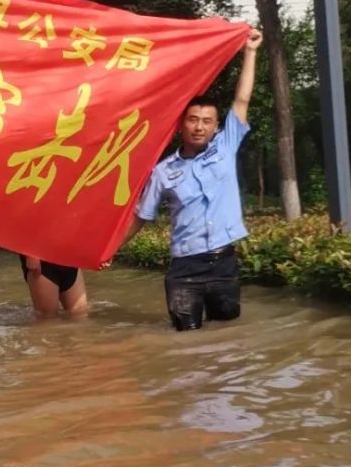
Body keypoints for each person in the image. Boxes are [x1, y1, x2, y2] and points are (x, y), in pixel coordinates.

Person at [113, 28, 263, 330]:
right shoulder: (163, 171)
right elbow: (142, 216)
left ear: (216, 126)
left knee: (226, 336)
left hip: (224, 263)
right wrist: (110, 250)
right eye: (193, 120)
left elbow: (242, 99)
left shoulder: (226, 145)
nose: (199, 127)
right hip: (185, 270)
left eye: (207, 122)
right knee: (186, 340)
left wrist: (250, 52)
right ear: (182, 124)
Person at [18, 256, 88, 317]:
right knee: (47, 318)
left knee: (80, 313)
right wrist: (30, 255)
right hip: (42, 261)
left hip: (70, 259)